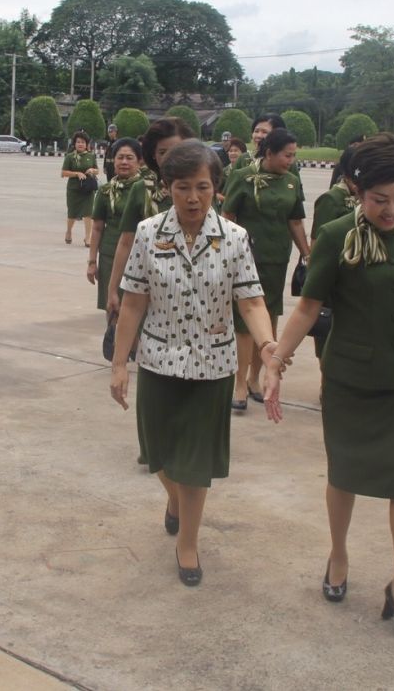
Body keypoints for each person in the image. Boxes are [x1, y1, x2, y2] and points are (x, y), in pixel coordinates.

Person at [263, 134, 394, 638]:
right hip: (349, 377)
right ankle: (339, 555)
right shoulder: (334, 236)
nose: (392, 210)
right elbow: (308, 306)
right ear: (356, 190)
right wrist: (277, 361)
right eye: (379, 200)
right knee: (344, 474)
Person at [109, 140, 279, 587]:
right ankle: (175, 500)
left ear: (216, 189)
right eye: (182, 187)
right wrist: (120, 364)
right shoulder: (149, 233)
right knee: (157, 453)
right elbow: (132, 304)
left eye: (202, 187)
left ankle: (188, 541)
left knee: (197, 461)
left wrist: (266, 345)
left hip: (213, 365)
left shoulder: (235, 239)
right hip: (159, 359)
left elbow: (252, 302)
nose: (192, 198)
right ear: (167, 188)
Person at [221, 128, 310, 411]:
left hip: (276, 260)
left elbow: (295, 222)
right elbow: (228, 216)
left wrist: (307, 255)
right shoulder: (242, 176)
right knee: (244, 324)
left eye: (294, 155)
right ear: (269, 153)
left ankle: (255, 378)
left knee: (269, 319)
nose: (291, 160)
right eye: (287, 155)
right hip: (245, 258)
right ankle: (238, 384)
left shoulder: (292, 182)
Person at [104, 118, 195, 318]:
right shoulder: (140, 189)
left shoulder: (201, 191)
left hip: (194, 288)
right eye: (162, 152)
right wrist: (112, 290)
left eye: (177, 150)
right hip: (148, 285)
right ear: (153, 155)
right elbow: (126, 242)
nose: (171, 158)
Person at [306, 144, 360, 358]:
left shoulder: (366, 198)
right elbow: (318, 244)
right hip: (335, 278)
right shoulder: (332, 199)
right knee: (329, 341)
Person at [87, 137, 142, 315]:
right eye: (120, 157)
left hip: (140, 258)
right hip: (110, 258)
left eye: (129, 157)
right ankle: (113, 342)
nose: (124, 162)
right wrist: (92, 261)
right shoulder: (105, 191)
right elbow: (96, 228)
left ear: (139, 162)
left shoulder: (147, 190)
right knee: (113, 309)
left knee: (138, 310)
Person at [61, 131, 99, 246]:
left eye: (82, 142)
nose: (80, 144)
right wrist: (77, 173)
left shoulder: (91, 156)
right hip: (74, 189)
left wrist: (92, 171)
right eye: (78, 142)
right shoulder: (70, 157)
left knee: (88, 214)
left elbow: (97, 170)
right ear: (75, 144)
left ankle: (88, 238)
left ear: (86, 144)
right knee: (72, 213)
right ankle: (68, 231)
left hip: (88, 189)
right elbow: (63, 173)